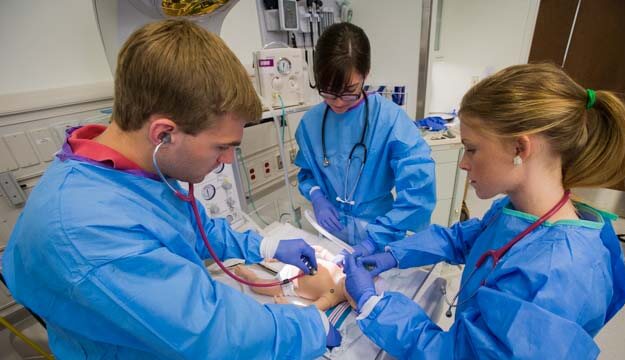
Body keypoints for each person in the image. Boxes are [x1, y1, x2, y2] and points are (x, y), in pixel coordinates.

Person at [1, 19, 340, 359]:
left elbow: (192, 228)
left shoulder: (135, 171)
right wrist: (314, 327)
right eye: (221, 146)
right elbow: (214, 333)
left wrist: (265, 244)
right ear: (164, 133)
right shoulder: (87, 229)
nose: (224, 161)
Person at [343, 63, 625, 358]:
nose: (463, 163)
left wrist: (374, 305)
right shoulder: (519, 214)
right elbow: (463, 239)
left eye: (472, 148)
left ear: (519, 149)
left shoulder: (552, 276)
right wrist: (396, 253)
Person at [294, 22, 436, 255]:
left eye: (349, 91)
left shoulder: (389, 120)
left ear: (366, 74)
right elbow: (307, 172)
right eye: (328, 91)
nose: (338, 102)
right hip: (331, 234)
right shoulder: (311, 124)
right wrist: (316, 195)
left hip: (380, 233)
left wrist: (376, 240)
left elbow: (418, 189)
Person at [233, 246, 362, 311]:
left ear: (352, 303)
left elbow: (309, 311)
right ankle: (276, 257)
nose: (353, 278)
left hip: (287, 284)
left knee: (258, 286)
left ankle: (247, 275)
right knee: (289, 252)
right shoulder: (342, 268)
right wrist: (308, 250)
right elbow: (322, 251)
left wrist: (287, 306)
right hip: (298, 261)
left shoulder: (331, 298)